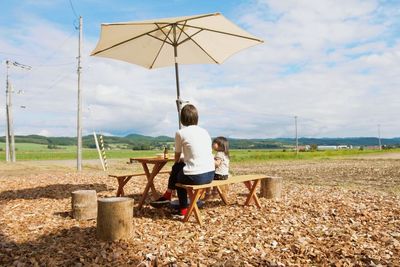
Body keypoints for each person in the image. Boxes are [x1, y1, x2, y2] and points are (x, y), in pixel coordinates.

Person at [150, 104, 215, 218]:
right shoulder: (205, 132)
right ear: (196, 117)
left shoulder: (180, 133)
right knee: (178, 169)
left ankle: (182, 208)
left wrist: (178, 162)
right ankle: (168, 194)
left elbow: (177, 156)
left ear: (182, 118)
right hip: (210, 174)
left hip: (197, 177)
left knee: (178, 177)